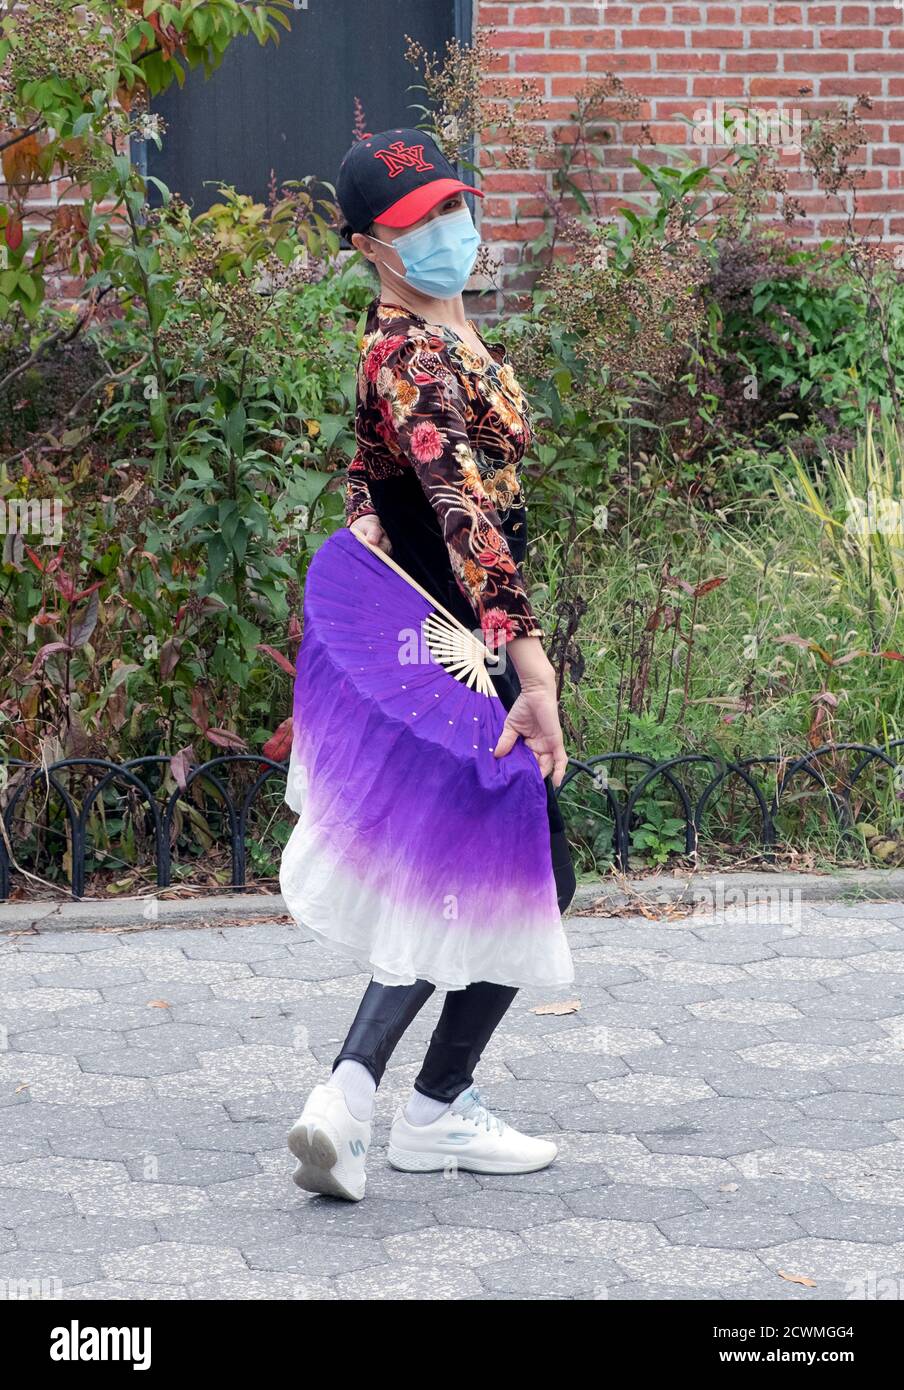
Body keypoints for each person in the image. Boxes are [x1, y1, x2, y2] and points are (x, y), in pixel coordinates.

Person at [285, 128, 576, 1202]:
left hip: (451, 633)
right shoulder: (410, 355)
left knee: (465, 865)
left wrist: (368, 515)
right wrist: (531, 666)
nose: (448, 232)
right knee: (522, 866)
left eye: (452, 207)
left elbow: (367, 471)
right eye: (417, 224)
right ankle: (421, 1106)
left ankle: (362, 1099)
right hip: (461, 644)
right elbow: (463, 515)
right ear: (368, 242)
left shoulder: (430, 336)